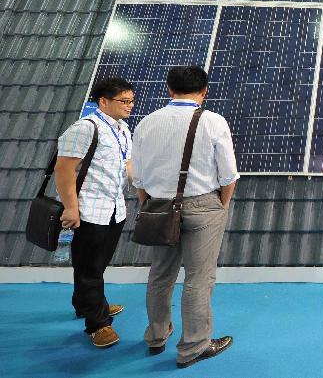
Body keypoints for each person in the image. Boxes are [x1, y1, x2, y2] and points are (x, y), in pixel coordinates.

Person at [131, 65, 239, 368]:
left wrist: (149, 205)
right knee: (198, 278)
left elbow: (138, 178)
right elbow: (229, 175)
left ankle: (155, 336)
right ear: (204, 91)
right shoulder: (213, 121)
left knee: (160, 275)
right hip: (203, 205)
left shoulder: (146, 123)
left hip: (158, 205)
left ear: (169, 90)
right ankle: (194, 347)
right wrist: (220, 206)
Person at [56, 76, 135, 347]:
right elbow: (63, 168)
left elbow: (126, 167)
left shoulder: (123, 129)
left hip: (115, 209)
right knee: (90, 268)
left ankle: (87, 303)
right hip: (89, 210)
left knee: (96, 264)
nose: (130, 105)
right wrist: (70, 208)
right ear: (103, 101)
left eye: (131, 100)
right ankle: (98, 324)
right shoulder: (85, 128)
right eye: (124, 101)